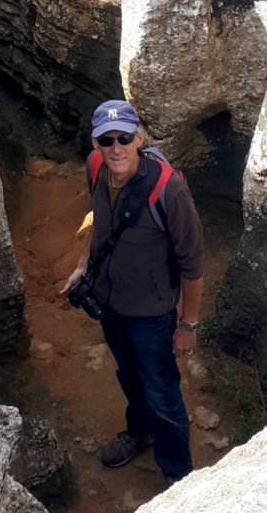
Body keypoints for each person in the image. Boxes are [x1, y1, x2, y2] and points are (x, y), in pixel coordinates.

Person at [61, 99, 204, 484]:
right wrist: (81, 265)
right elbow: (99, 224)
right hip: (111, 303)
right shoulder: (96, 170)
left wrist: (187, 325)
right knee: (129, 374)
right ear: (95, 145)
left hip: (151, 314)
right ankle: (140, 433)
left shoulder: (167, 192)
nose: (116, 148)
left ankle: (180, 478)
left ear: (139, 137)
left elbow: (192, 265)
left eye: (124, 137)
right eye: (106, 141)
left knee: (161, 390)